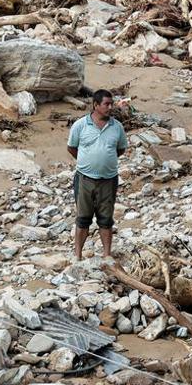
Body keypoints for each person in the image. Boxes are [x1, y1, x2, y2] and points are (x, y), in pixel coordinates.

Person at [68, 88, 127, 261]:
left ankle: (107, 255)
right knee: (83, 218)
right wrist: (87, 162)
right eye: (106, 104)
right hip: (84, 179)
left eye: (111, 104)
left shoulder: (117, 127)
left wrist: (105, 159)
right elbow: (72, 147)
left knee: (106, 219)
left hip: (108, 180)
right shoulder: (80, 125)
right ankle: (77, 256)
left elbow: (121, 148)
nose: (110, 107)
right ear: (95, 105)